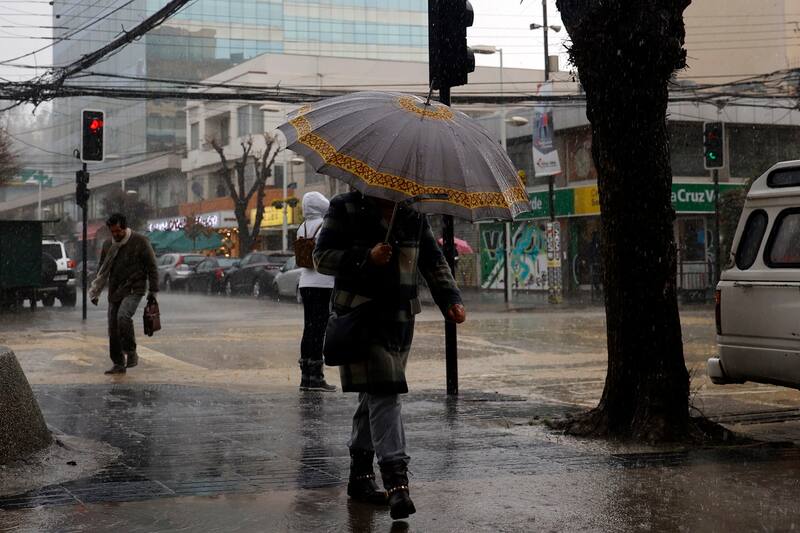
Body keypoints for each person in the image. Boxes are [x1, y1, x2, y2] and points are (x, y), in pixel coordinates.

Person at [314, 191, 466, 520]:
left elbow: (432, 259)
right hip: (360, 317)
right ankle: (397, 483)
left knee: (375, 394)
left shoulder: (412, 212)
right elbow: (321, 257)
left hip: (400, 319)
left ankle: (360, 477)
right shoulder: (345, 207)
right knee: (386, 392)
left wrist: (450, 298)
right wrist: (365, 256)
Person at [89, 213, 159, 375]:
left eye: (118, 231)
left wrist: (153, 291)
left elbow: (152, 267)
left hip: (135, 288)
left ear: (125, 227)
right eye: (112, 232)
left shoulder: (140, 241)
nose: (116, 235)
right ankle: (118, 363)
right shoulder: (108, 245)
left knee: (123, 317)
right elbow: (102, 271)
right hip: (115, 291)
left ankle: (131, 351)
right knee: (113, 328)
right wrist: (95, 292)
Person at [297, 191, 337, 392]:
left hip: (305, 282)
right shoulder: (325, 226)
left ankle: (306, 376)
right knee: (319, 330)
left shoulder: (301, 227)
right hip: (323, 283)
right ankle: (317, 377)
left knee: (308, 328)